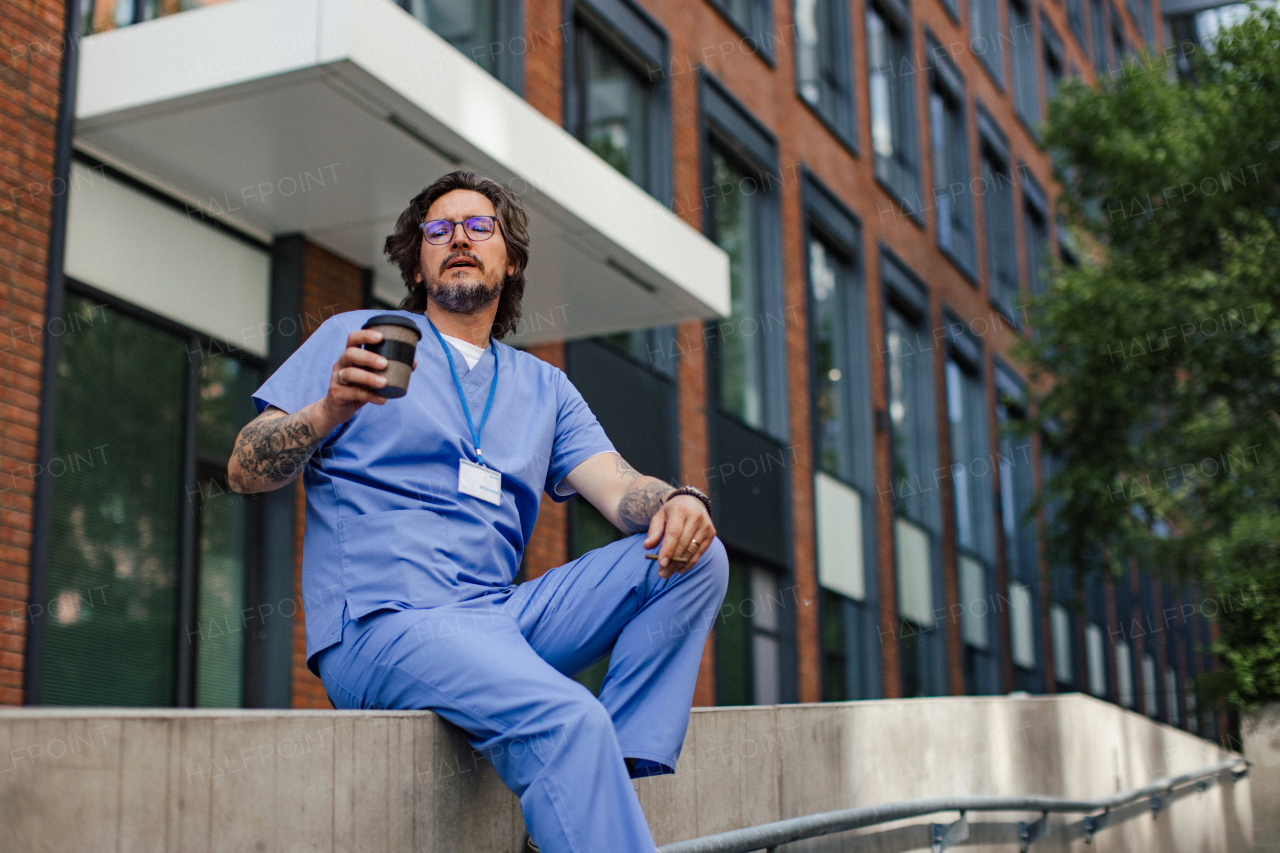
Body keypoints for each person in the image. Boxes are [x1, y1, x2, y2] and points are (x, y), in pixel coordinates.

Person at [227, 170, 729, 853]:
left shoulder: (544, 388)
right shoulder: (360, 339)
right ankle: (579, 768)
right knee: (567, 716)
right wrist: (328, 409)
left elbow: (620, 490)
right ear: (417, 260)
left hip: (500, 619)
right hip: (382, 623)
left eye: (478, 226)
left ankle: (600, 773)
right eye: (438, 230)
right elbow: (244, 468)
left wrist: (680, 501)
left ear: (510, 258)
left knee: (696, 556)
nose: (457, 237)